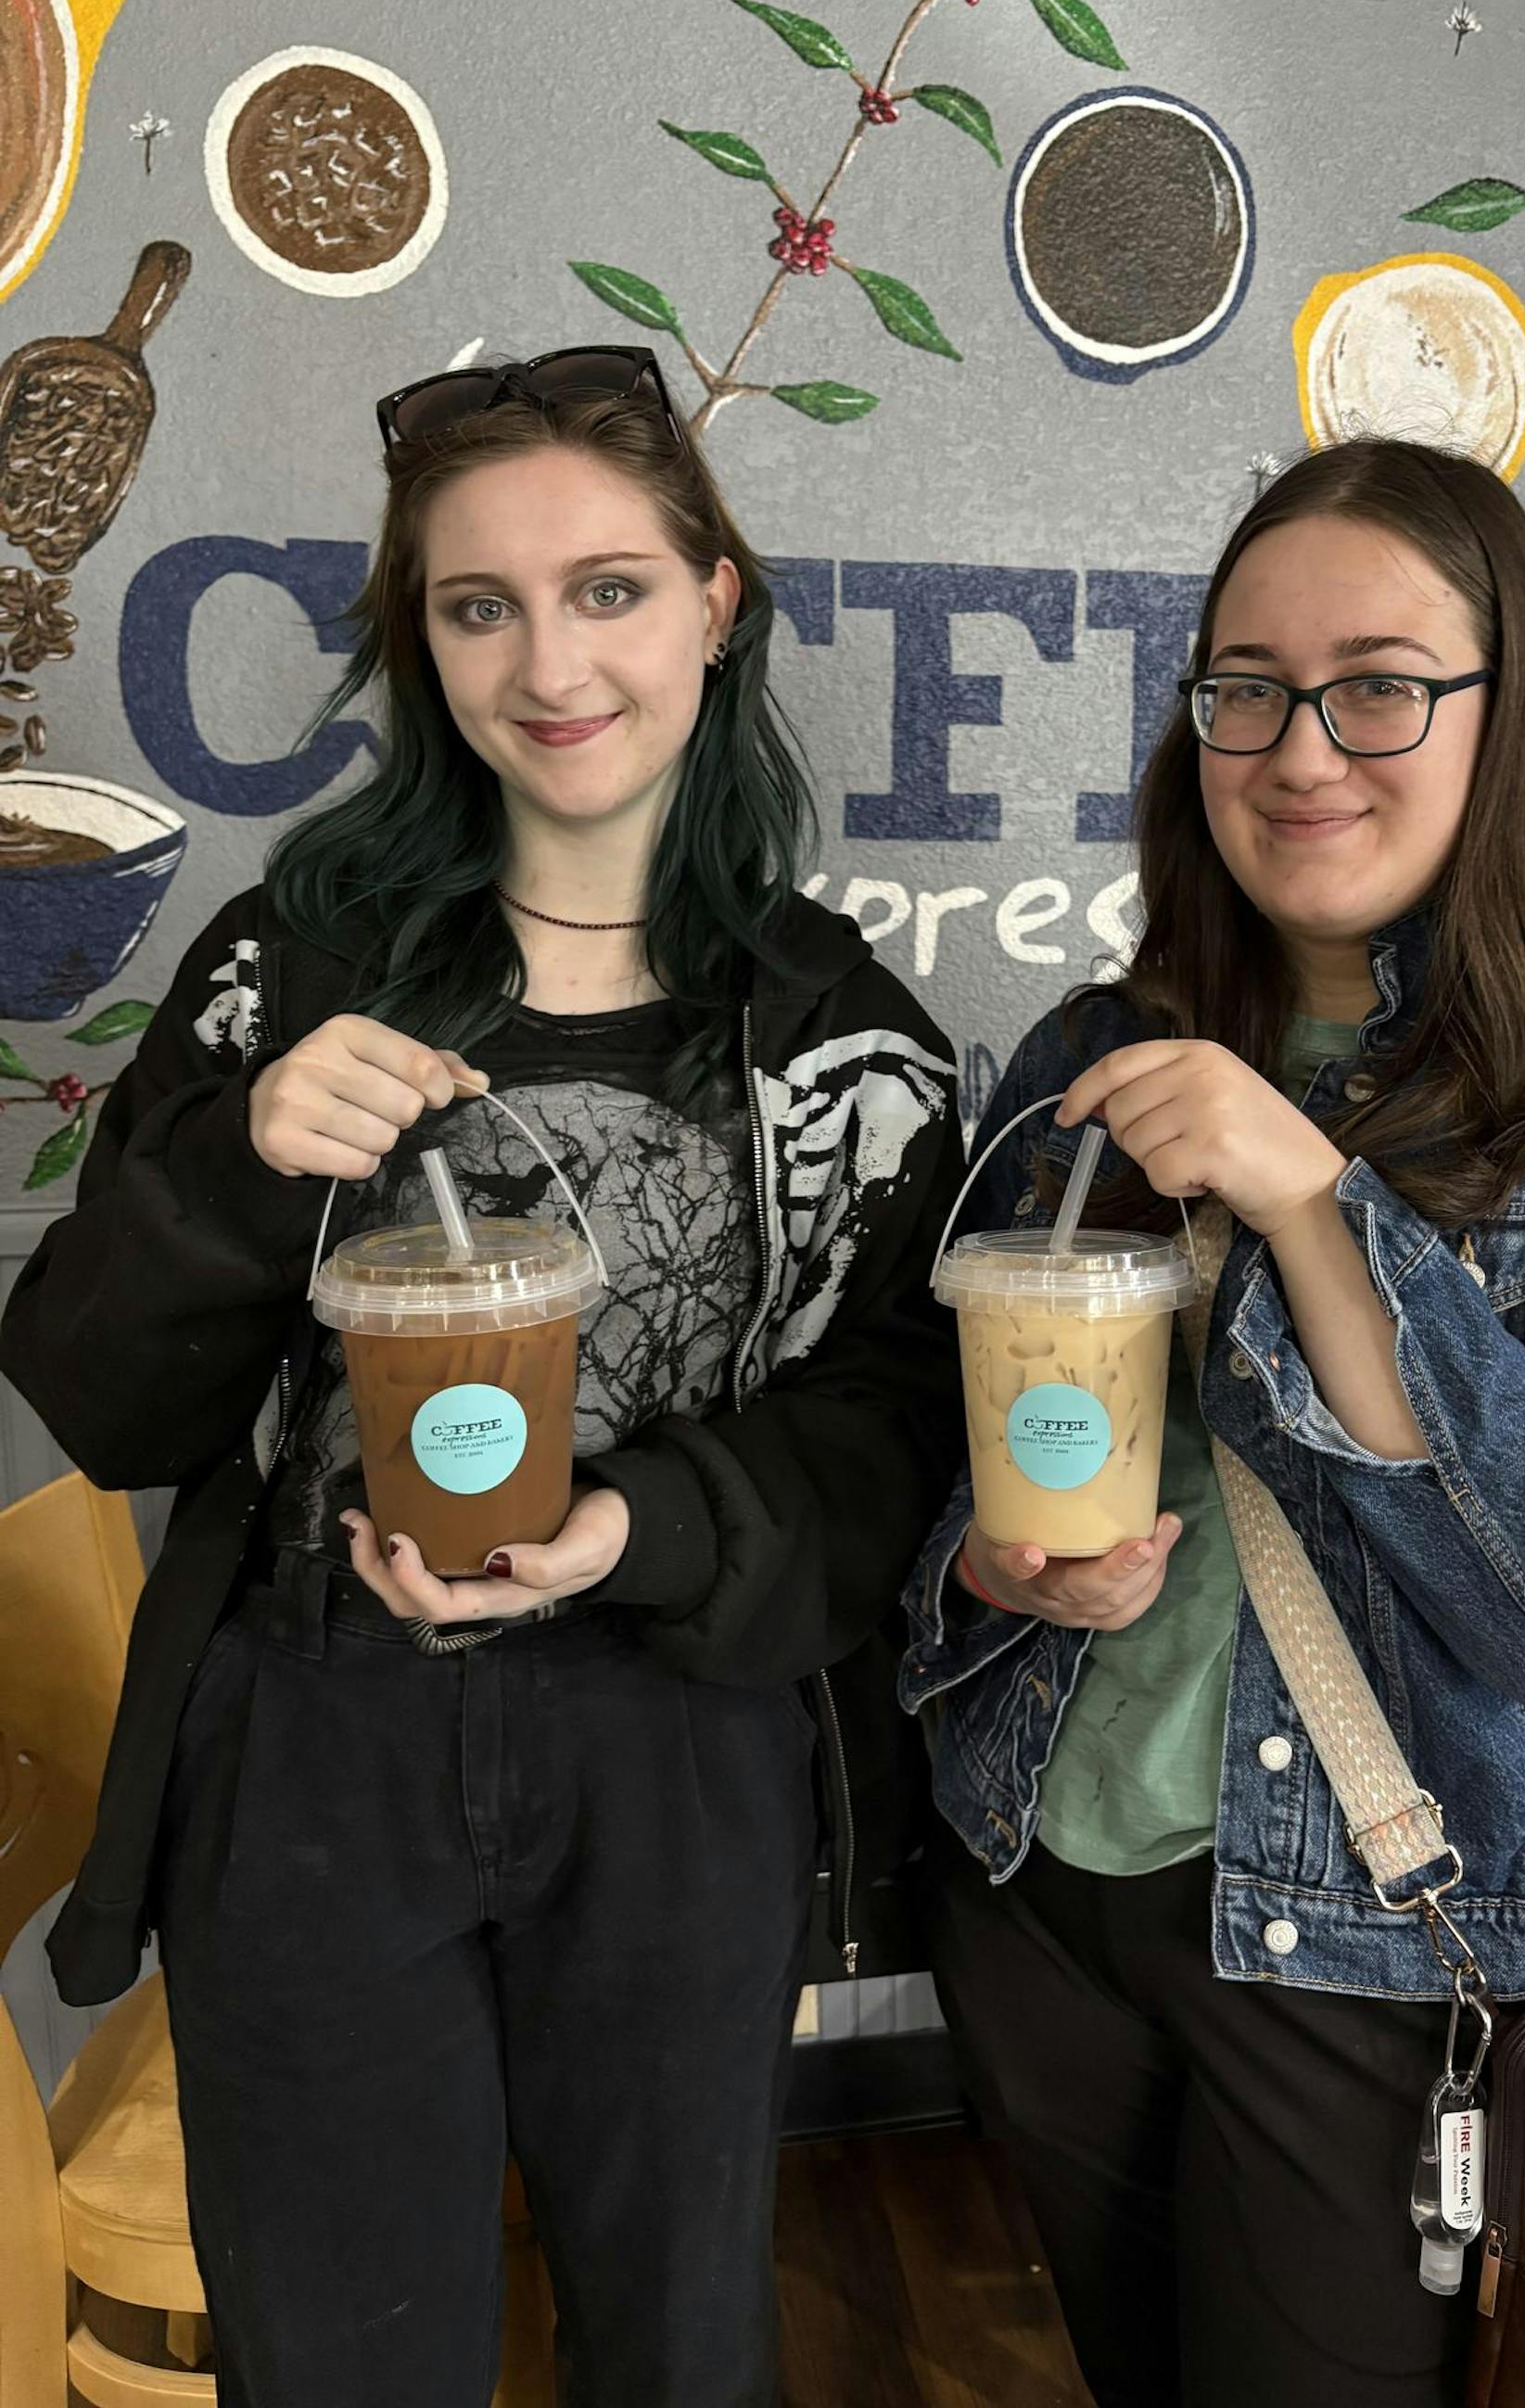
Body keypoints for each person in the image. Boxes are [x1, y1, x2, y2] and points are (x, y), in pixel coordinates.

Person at [2, 346, 965, 2408]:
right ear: (417, 638)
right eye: (477, 604)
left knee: (679, 2342)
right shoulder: (293, 963)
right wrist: (247, 1165)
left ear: (716, 599)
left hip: (679, 1747)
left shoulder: (837, 1032)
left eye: (609, 587)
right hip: (314, 1727)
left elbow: (886, 1440)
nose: (551, 660)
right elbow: (99, 1389)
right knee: (339, 2358)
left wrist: (642, 1521)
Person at [902, 439, 1525, 2407]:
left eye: (1379, 682)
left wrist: (1317, 1198)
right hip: (1045, 1881)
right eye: (1246, 686)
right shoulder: (1088, 1054)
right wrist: (980, 1567)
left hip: (1384, 1953)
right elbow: (949, 1462)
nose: (1302, 747)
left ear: (1506, 712)